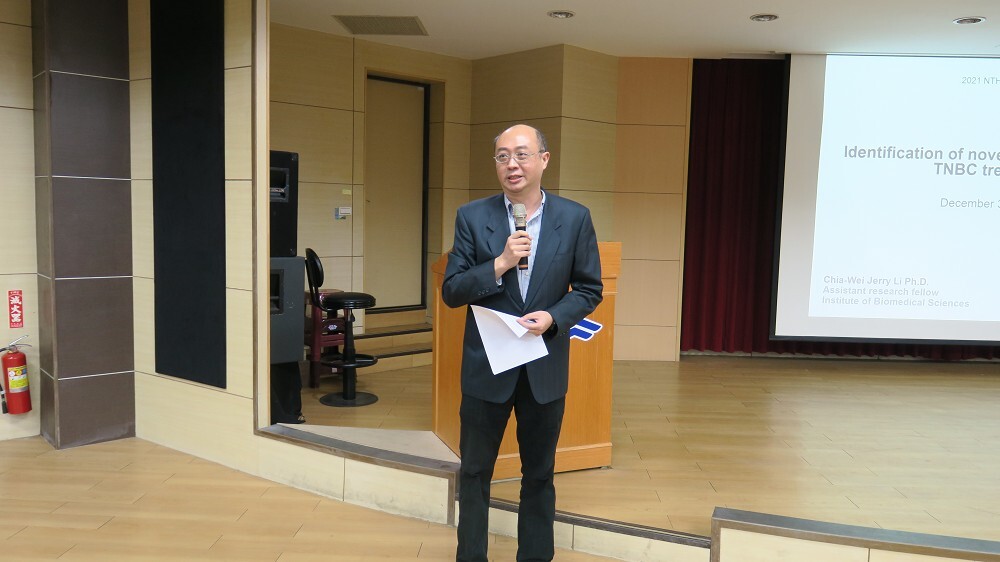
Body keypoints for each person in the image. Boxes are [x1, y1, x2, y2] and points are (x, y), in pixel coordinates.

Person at [442, 124, 603, 561]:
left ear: (543, 160)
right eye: (502, 156)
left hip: (543, 369)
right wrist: (500, 263)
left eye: (521, 154)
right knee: (474, 473)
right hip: (486, 368)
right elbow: (452, 291)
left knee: (539, 475)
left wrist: (554, 317)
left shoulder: (575, 217)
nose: (511, 164)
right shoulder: (472, 216)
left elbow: (589, 289)